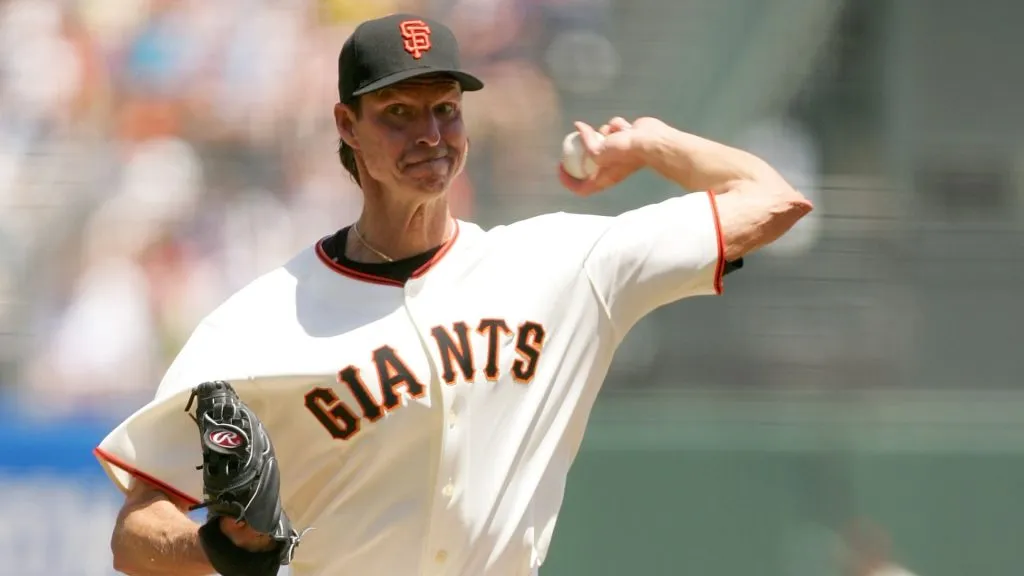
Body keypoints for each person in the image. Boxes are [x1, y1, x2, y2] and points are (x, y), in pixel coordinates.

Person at [97, 12, 812, 576]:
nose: (431, 134)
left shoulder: (563, 264)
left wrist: (654, 144)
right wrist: (216, 551)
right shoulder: (256, 324)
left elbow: (771, 199)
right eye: (398, 114)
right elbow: (136, 534)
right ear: (347, 126)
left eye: (445, 108)